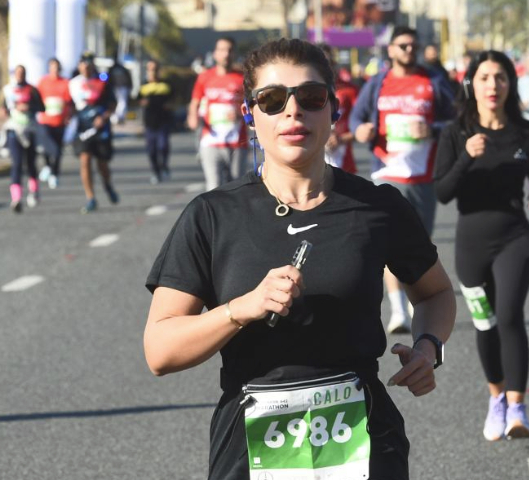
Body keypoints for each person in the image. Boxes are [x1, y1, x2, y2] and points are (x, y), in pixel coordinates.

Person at [144, 38, 456, 480]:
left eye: (310, 98)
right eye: (272, 100)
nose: (293, 112)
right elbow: (159, 350)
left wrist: (429, 348)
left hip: (366, 444)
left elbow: (437, 292)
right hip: (250, 447)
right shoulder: (212, 215)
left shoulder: (378, 206)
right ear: (250, 115)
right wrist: (239, 310)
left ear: (334, 109)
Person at [434, 50, 529, 441]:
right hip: (471, 243)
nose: (493, 85)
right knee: (485, 323)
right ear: (471, 84)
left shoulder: (528, 132)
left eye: (500, 77)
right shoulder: (455, 133)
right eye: (484, 77)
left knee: (510, 314)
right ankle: (496, 399)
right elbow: (443, 192)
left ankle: (518, 409)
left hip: (514, 237)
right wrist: (465, 157)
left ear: (510, 84)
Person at [350, 25, 456, 334]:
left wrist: (433, 129)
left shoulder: (433, 81)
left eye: (413, 45)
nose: (408, 50)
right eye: (402, 46)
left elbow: (455, 121)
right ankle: (398, 310)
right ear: (391, 49)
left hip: (423, 176)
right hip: (386, 173)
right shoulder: (377, 83)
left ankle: (418, 300)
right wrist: (361, 130)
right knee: (386, 243)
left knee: (420, 243)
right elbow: (357, 117)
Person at [187, 36, 249, 191]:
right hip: (211, 141)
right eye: (222, 50)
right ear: (215, 54)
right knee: (214, 187)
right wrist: (192, 118)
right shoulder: (205, 77)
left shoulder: (242, 78)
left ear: (234, 53)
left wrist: (240, 115)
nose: (226, 54)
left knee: (236, 187)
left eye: (229, 50)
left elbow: (253, 106)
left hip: (237, 141)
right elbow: (195, 102)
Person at [69, 52, 120, 213]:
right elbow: (69, 104)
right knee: (85, 160)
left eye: (88, 64)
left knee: (102, 163)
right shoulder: (73, 83)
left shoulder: (102, 81)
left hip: (101, 128)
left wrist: (104, 117)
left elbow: (112, 104)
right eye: (82, 64)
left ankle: (107, 184)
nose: (85, 67)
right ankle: (90, 198)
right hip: (82, 128)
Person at [0, 65, 45, 213]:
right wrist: (3, 111)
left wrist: (29, 107)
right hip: (14, 129)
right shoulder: (8, 90)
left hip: (30, 129)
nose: (20, 75)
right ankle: (16, 199)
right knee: (16, 163)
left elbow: (42, 108)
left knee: (30, 163)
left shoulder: (32, 89)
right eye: (17, 73)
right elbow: (3, 108)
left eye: (22, 73)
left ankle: (34, 192)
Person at [319, 44, 359, 174]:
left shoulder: (350, 90)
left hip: (344, 165)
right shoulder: (301, 93)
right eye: (319, 63)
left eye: (328, 62)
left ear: (334, 63)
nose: (324, 68)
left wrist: (341, 139)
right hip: (311, 166)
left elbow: (365, 126)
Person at [37, 58, 71, 189]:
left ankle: (54, 173)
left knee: (57, 149)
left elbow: (69, 102)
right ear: (49, 68)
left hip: (60, 121)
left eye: (57, 67)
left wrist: (68, 116)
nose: (55, 70)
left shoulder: (65, 83)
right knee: (46, 146)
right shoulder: (43, 82)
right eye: (52, 67)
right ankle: (46, 166)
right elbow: (37, 98)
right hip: (46, 121)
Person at [138, 60, 174, 184]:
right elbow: (137, 100)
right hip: (149, 122)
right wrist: (142, 102)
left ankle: (164, 166)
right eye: (150, 69)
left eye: (155, 68)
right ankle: (155, 172)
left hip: (163, 121)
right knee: (151, 150)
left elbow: (174, 99)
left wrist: (170, 105)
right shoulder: (143, 86)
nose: (152, 71)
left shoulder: (166, 85)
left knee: (163, 146)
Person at [107, 58, 133, 125]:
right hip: (115, 88)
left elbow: (128, 79)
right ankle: (114, 118)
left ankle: (119, 117)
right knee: (115, 103)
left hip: (123, 88)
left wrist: (129, 87)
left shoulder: (122, 69)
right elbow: (108, 78)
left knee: (122, 103)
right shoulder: (113, 69)